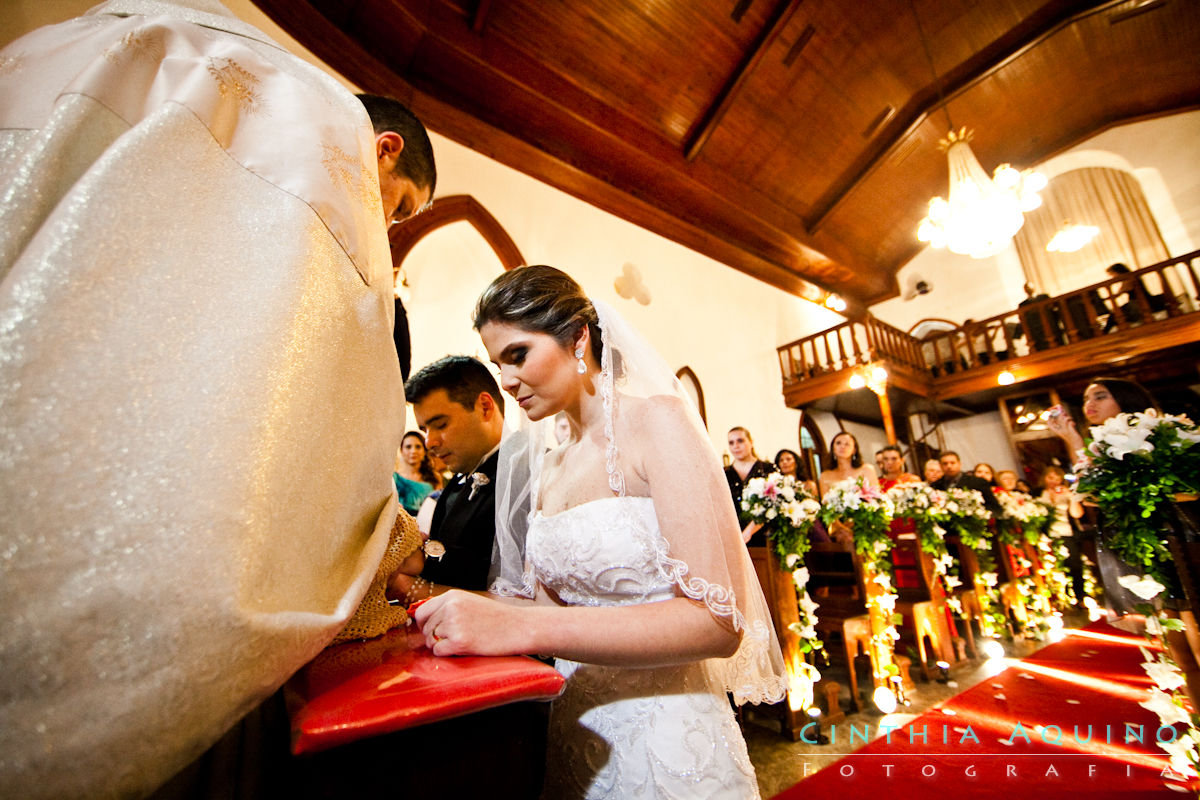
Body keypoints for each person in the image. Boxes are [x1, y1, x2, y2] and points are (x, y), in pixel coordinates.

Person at [0, 3, 436, 798]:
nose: (389, 231)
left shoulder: (190, 56)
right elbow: (331, 415)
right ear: (383, 149)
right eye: (400, 205)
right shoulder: (328, 176)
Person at [414, 265, 786, 799]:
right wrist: (446, 603)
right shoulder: (549, 463)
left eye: (518, 355)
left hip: (667, 748)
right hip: (574, 737)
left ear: (578, 337)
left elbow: (717, 621)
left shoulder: (657, 422)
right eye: (498, 365)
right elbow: (545, 609)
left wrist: (525, 630)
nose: (507, 381)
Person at [394, 356, 507, 601]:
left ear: (484, 407)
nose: (429, 443)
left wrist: (417, 589)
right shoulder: (458, 480)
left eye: (441, 424)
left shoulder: (528, 473)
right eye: (425, 430)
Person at [725, 426, 775, 546]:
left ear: (751, 442)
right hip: (735, 536)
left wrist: (749, 531)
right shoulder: (725, 474)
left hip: (765, 535)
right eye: (731, 443)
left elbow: (773, 503)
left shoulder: (767, 469)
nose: (736, 446)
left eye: (740, 441)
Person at [932, 451, 1002, 515]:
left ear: (959, 464)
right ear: (940, 466)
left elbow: (995, 507)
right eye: (945, 464)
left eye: (952, 463)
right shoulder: (935, 485)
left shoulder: (978, 482)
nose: (949, 466)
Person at [818, 431, 879, 496]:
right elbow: (825, 502)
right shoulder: (825, 475)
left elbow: (876, 496)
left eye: (847, 444)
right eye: (838, 443)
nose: (842, 446)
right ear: (833, 448)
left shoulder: (867, 470)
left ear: (854, 450)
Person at [394, 430, 440, 515]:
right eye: (408, 447)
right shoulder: (394, 479)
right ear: (401, 451)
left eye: (418, 447)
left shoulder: (434, 477)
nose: (413, 451)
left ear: (424, 451)